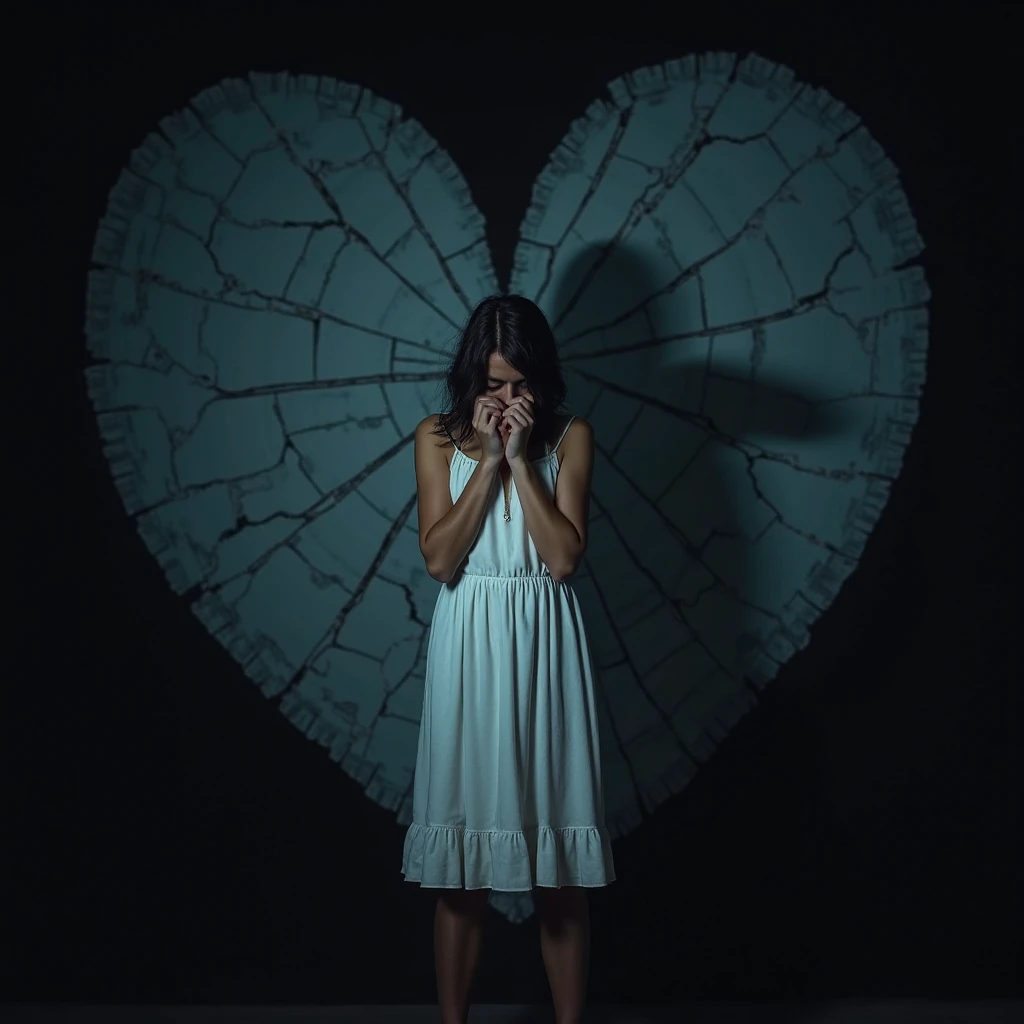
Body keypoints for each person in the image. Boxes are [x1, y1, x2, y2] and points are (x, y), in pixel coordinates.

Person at [401, 294, 616, 1024]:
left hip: (544, 646)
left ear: (541, 382)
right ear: (471, 378)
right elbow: (438, 559)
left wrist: (522, 463)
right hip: (470, 647)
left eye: (520, 385)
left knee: (557, 870)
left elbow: (561, 560)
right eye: (493, 384)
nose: (507, 399)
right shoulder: (435, 438)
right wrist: (487, 461)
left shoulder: (571, 437)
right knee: (460, 874)